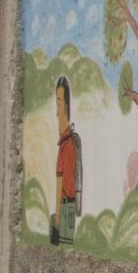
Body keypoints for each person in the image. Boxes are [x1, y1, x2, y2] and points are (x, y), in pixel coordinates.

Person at [52, 77, 82, 246]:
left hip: (64, 209)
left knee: (64, 246)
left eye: (58, 104)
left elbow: (61, 184)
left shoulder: (66, 145)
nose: (56, 112)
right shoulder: (67, 143)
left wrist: (57, 217)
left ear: (66, 107)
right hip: (67, 208)